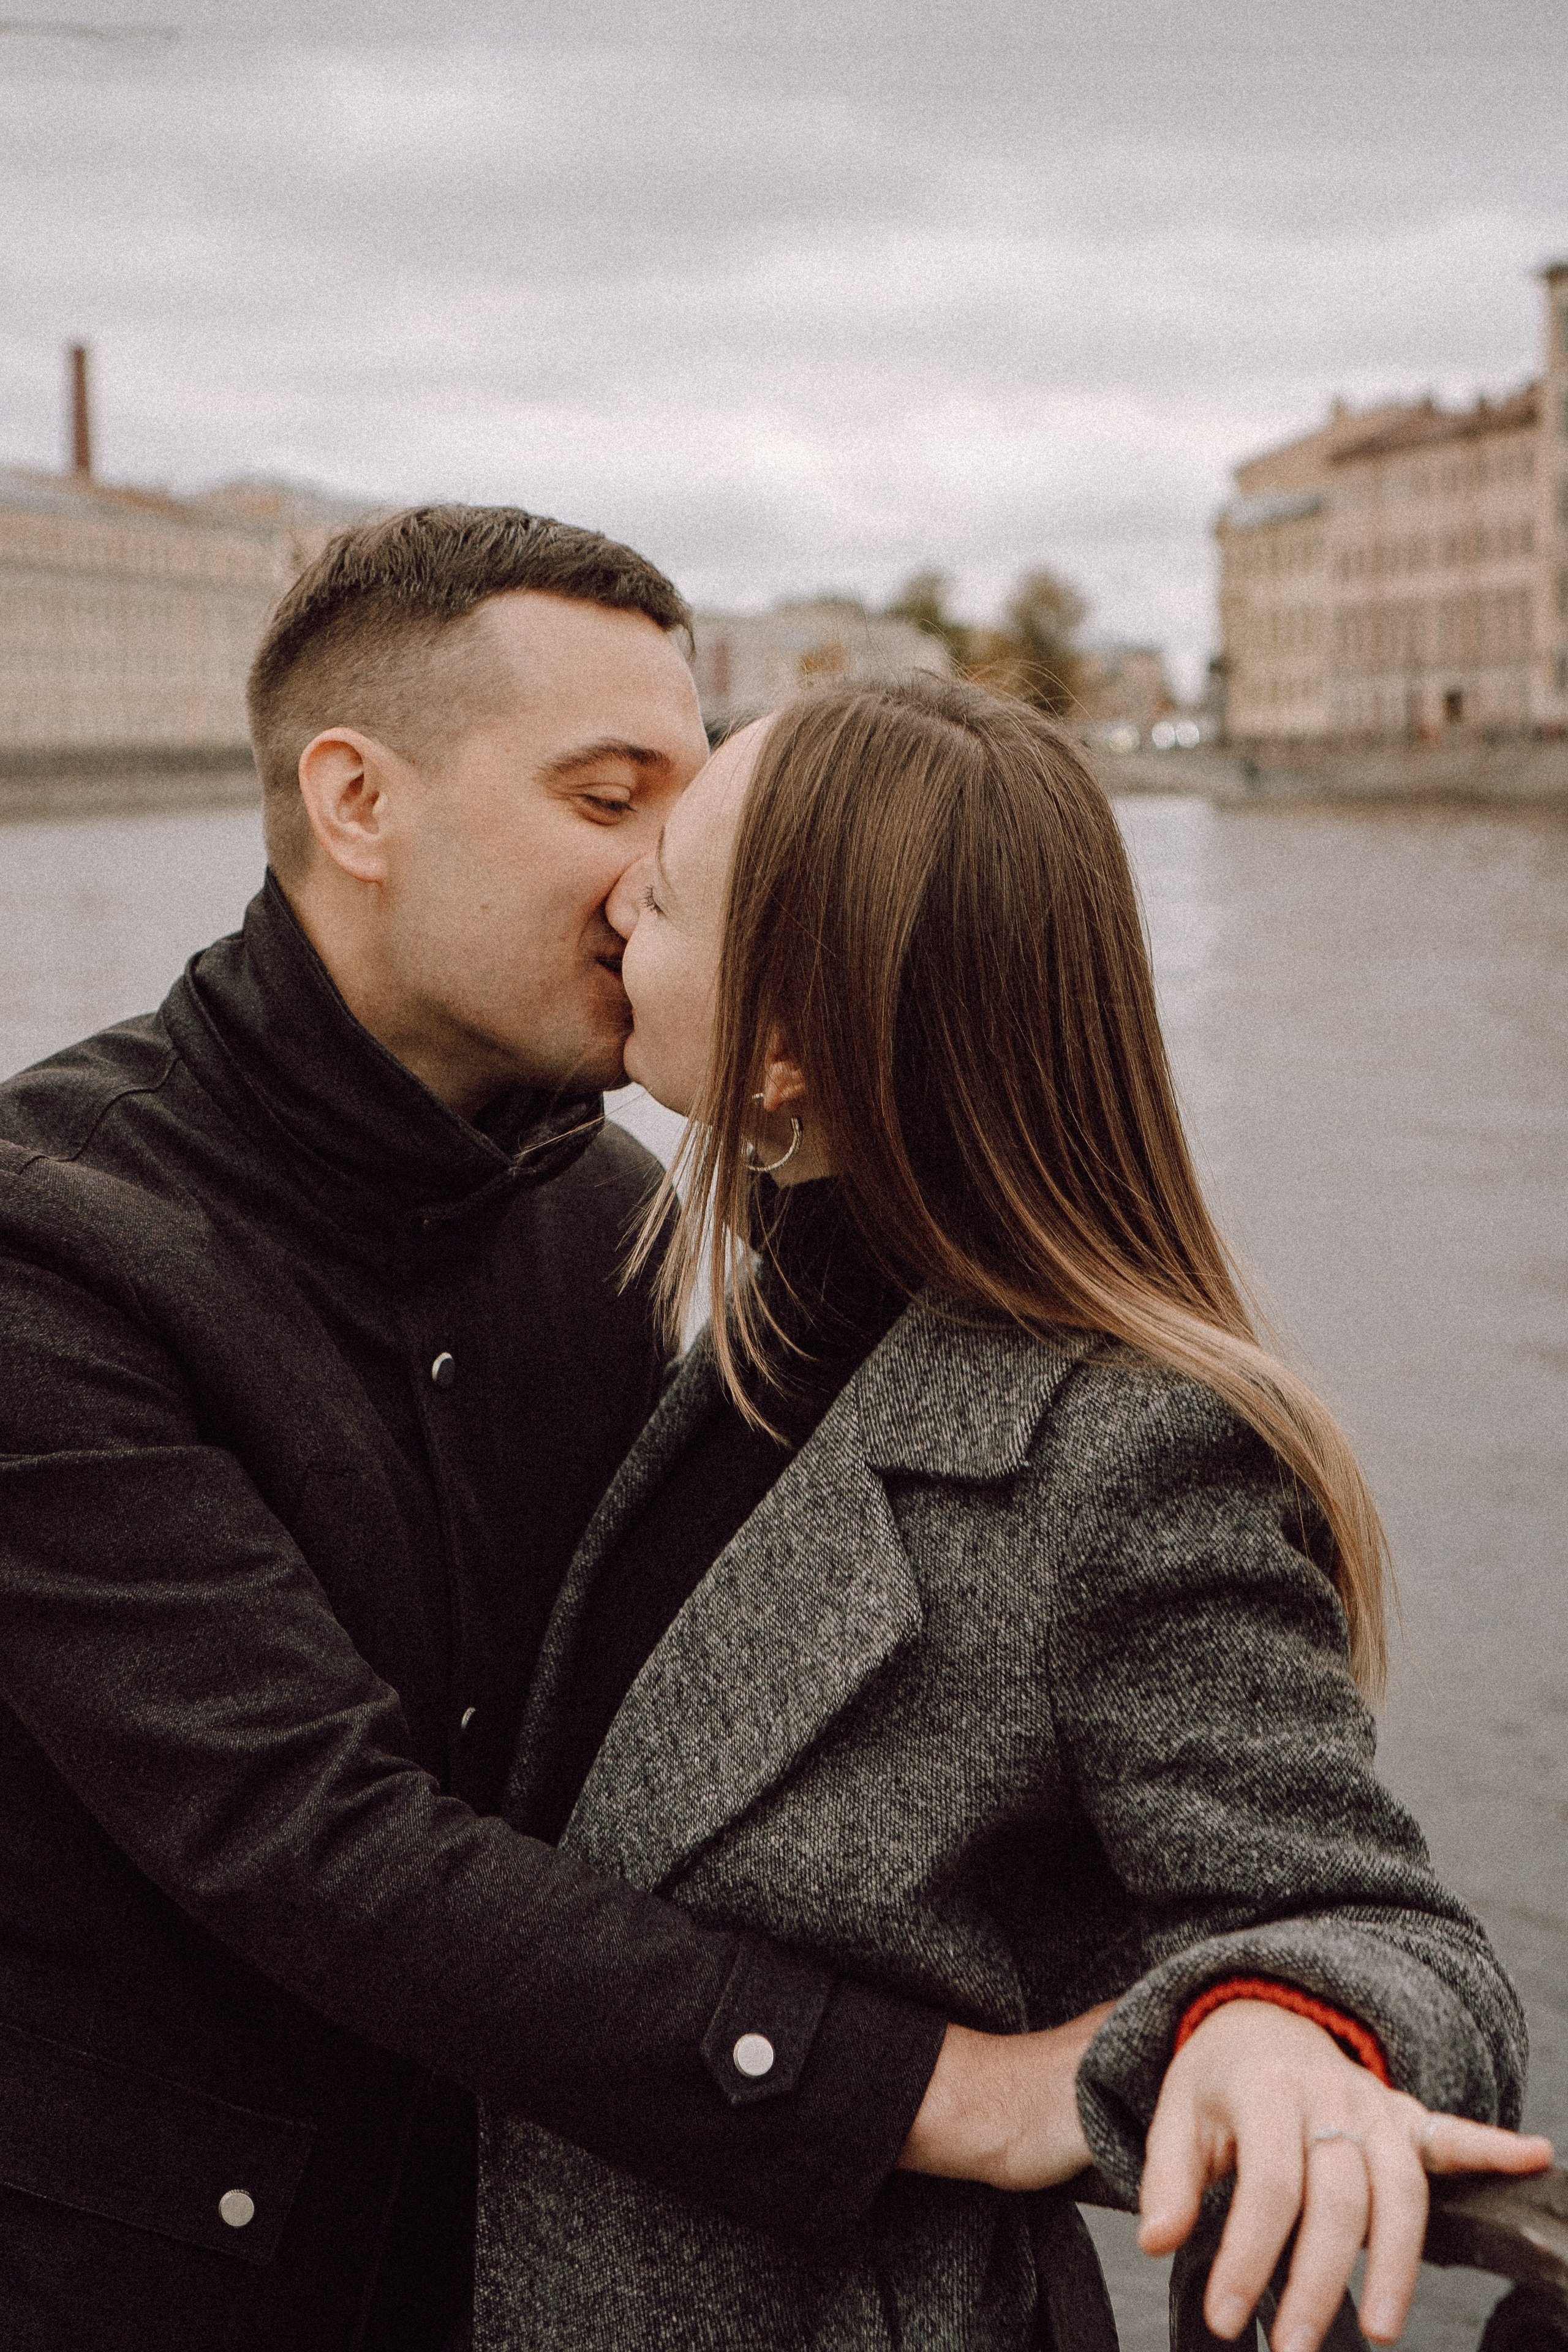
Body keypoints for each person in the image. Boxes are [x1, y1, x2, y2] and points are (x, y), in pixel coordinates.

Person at [0, 513, 1102, 2352]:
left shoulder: (618, 1208)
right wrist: (942, 2092)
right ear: (357, 801)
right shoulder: (53, 1247)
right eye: (612, 800)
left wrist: (1252, 2006)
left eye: (686, 818)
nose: (663, 879)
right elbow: (310, 1834)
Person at [476, 677, 1550, 2352]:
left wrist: (1277, 2025)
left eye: (666, 890)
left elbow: (1383, 1928)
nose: (617, 898)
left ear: (787, 1045)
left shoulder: (1118, 1444)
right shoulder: (776, 1323)